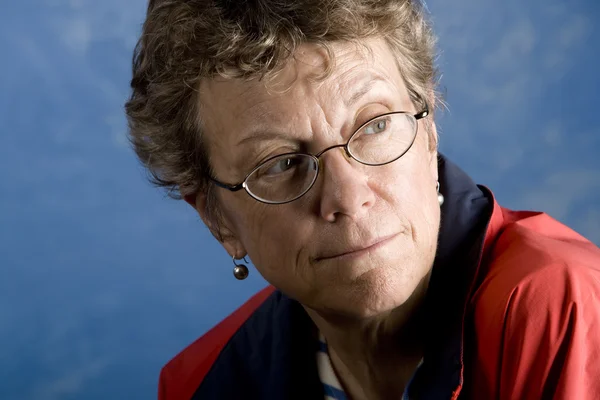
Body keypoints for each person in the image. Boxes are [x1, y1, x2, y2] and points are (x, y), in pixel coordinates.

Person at [125, 1, 600, 399]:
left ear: (429, 128)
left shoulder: (565, 311)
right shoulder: (201, 384)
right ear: (217, 219)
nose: (348, 198)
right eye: (280, 163)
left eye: (374, 126)